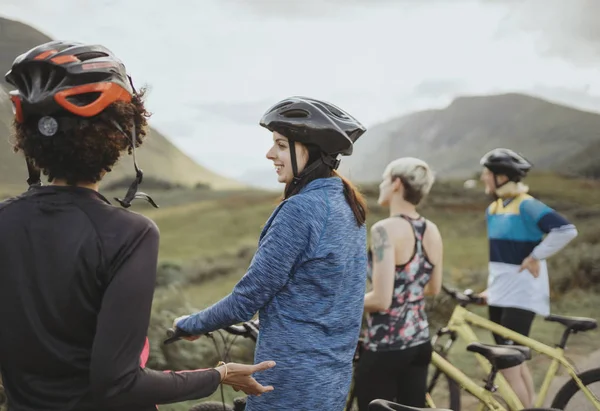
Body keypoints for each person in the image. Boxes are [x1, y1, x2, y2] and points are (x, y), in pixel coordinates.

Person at [0, 40, 274, 411]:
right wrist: (219, 375)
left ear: (29, 139)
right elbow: (119, 383)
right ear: (120, 137)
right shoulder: (129, 234)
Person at [173, 96, 369, 411]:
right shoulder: (349, 206)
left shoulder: (301, 209)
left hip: (288, 385)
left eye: (280, 144)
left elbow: (245, 301)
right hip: (331, 383)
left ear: (309, 149)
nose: (270, 154)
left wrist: (190, 324)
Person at [478, 148, 578, 407]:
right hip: (500, 294)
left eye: (487, 173)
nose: (483, 178)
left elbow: (566, 230)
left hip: (522, 294)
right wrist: (490, 290)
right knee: (514, 363)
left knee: (508, 365)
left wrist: (536, 255)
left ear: (502, 176)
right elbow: (498, 260)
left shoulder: (526, 204)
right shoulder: (493, 208)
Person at [354, 157, 443, 410]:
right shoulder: (431, 229)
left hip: (386, 347)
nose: (381, 185)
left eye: (384, 179)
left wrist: (342, 304)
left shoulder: (385, 229)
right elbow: (433, 288)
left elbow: (382, 300)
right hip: (420, 343)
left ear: (396, 184)